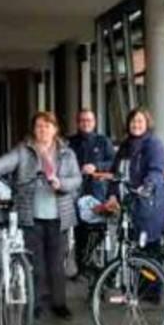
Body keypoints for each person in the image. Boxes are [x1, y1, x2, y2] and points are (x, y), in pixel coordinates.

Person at [0, 111, 81, 320]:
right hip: (31, 214)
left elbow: (76, 179)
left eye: (47, 126)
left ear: (55, 129)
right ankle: (36, 303)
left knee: (57, 263)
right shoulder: (24, 150)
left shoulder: (67, 153)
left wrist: (61, 183)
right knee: (35, 262)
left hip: (60, 215)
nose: (43, 130)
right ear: (34, 129)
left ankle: (59, 303)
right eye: (39, 126)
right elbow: (5, 162)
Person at [106, 107, 164, 258]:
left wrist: (146, 186)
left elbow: (156, 170)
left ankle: (153, 281)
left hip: (149, 204)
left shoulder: (154, 144)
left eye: (140, 121)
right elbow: (115, 173)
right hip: (128, 204)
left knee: (148, 251)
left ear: (147, 123)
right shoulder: (125, 146)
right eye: (133, 121)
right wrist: (112, 194)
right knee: (129, 246)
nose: (136, 125)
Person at [68, 109, 115, 276]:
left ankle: (101, 268)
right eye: (82, 120)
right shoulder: (70, 142)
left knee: (99, 230)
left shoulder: (103, 141)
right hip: (77, 192)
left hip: (97, 192)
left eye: (89, 120)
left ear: (94, 122)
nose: (85, 123)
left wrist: (97, 167)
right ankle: (81, 268)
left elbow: (113, 163)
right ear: (77, 123)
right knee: (79, 231)